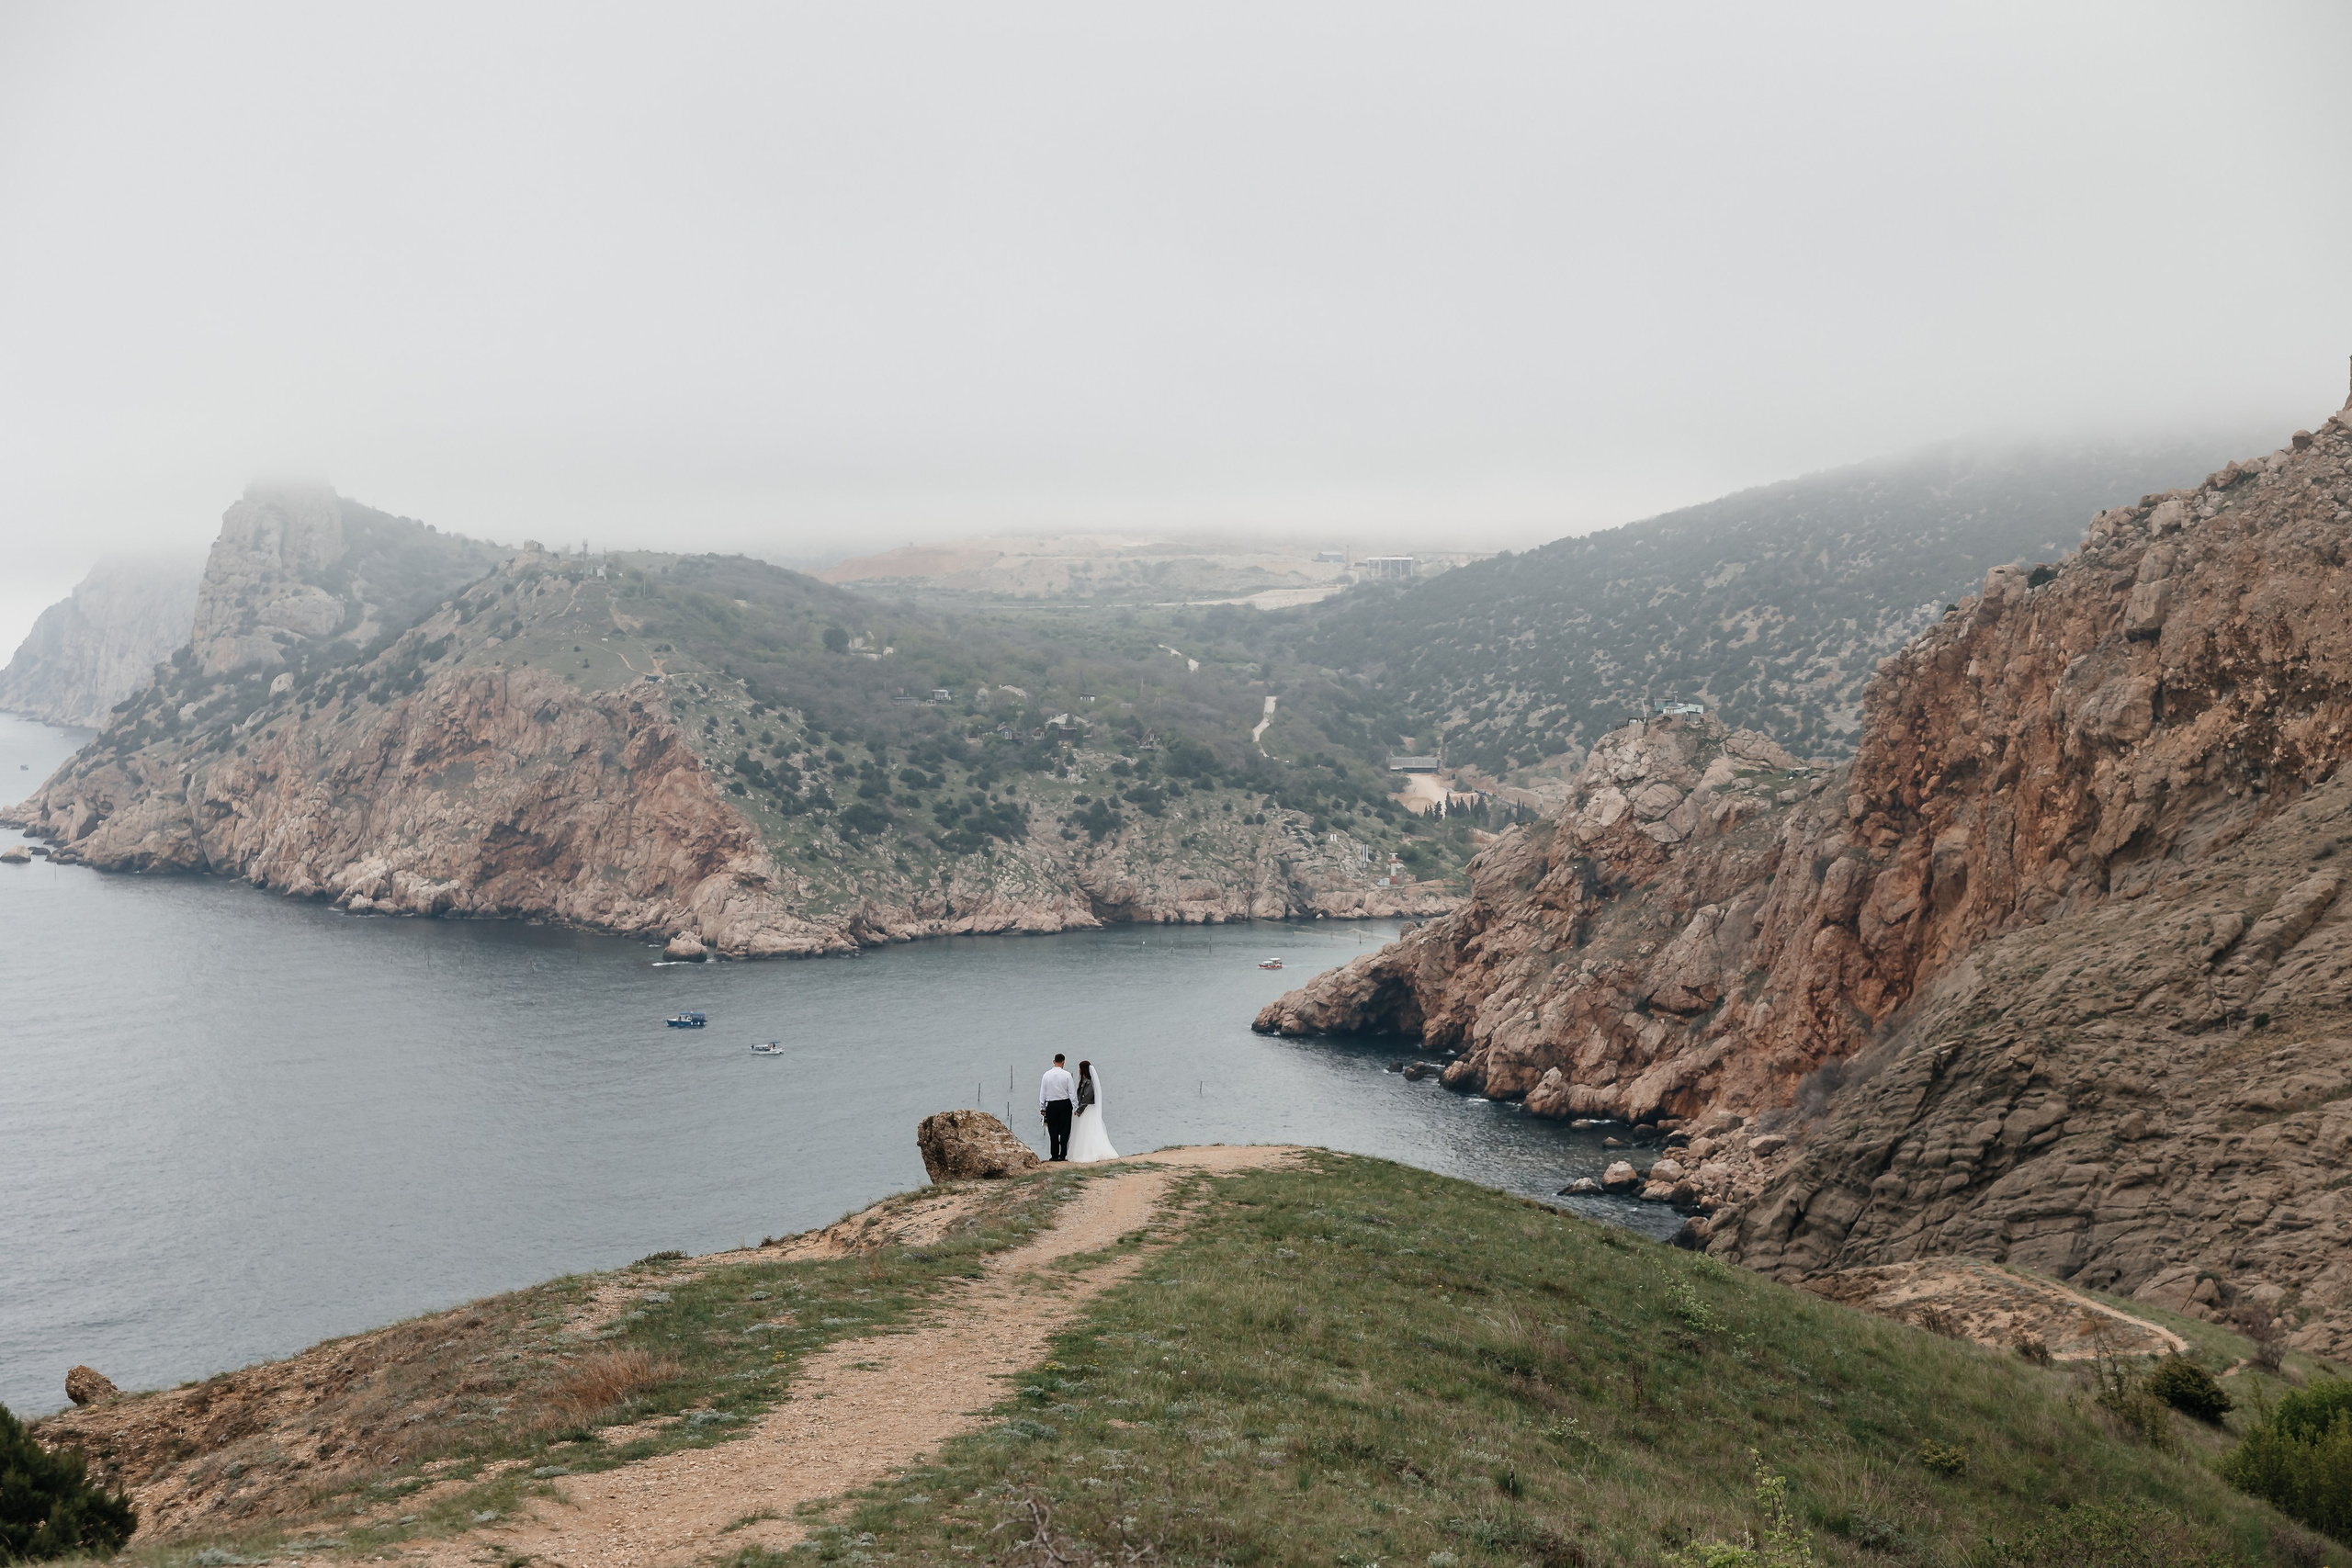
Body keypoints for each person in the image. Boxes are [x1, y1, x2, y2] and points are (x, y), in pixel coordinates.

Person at [1067, 1058, 1119, 1163]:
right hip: (1086, 1109)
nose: (1078, 1070)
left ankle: (1090, 1152)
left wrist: (1079, 1110)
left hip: (1087, 1110)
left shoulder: (1089, 1083)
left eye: (1079, 1068)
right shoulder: (1084, 1082)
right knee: (1084, 1132)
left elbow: (1086, 1097)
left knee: (1087, 1131)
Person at [1039, 1053, 1075, 1162]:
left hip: (1052, 1105)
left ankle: (1054, 1155)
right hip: (1065, 1104)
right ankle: (1063, 1154)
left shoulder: (1046, 1075)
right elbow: (1072, 1093)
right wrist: (1075, 1106)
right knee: (1065, 1129)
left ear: (1053, 1061)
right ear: (1063, 1062)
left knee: (1053, 1130)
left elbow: (1043, 1093)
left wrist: (1042, 1107)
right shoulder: (1067, 1075)